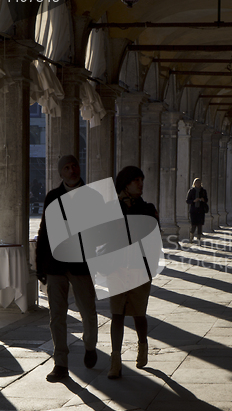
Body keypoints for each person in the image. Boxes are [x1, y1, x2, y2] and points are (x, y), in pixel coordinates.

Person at [36, 155, 98, 382]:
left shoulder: (92, 196)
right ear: (60, 173)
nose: (72, 170)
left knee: (88, 311)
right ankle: (60, 363)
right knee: (56, 316)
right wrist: (39, 265)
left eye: (75, 166)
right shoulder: (52, 196)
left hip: (81, 264)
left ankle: (90, 345)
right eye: (67, 167)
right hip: (55, 264)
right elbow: (44, 232)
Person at [108, 166, 159, 379]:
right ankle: (115, 360)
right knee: (117, 314)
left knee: (139, 313)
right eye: (135, 180)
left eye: (141, 179)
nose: (140, 183)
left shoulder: (147, 208)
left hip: (139, 267)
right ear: (125, 184)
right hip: (117, 267)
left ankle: (143, 345)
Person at [186, 178, 208, 245]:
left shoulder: (203, 191)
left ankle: (198, 240)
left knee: (200, 225)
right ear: (194, 183)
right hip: (194, 210)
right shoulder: (191, 191)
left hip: (201, 210)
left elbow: (206, 200)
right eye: (197, 182)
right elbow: (187, 200)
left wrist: (203, 199)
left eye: (199, 182)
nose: (198, 184)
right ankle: (191, 238)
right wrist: (194, 201)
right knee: (193, 225)